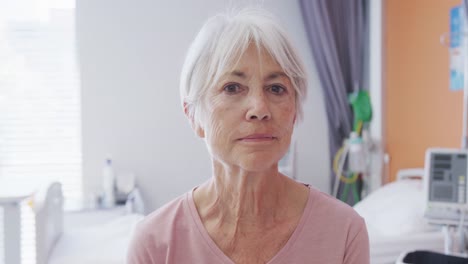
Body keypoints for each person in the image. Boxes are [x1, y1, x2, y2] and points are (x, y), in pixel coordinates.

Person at [127, 8, 369, 264]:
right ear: (194, 116)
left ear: (295, 113)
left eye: (276, 88)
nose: (259, 109)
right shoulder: (154, 243)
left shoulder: (343, 232)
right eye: (232, 88)